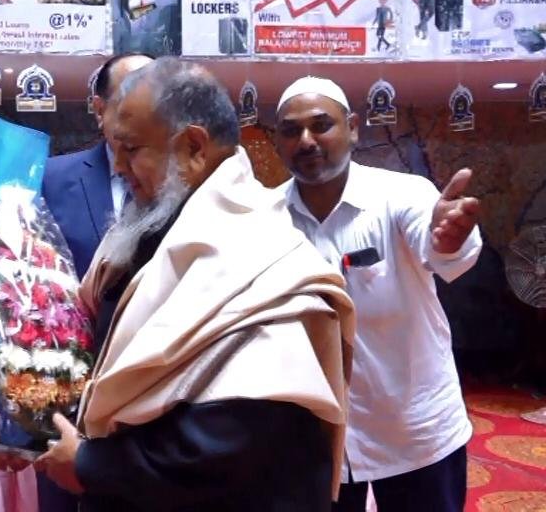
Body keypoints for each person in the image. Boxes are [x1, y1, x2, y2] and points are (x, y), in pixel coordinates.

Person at [33, 58, 355, 511]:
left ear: (194, 148)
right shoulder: (153, 222)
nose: (118, 167)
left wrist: (91, 465)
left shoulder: (257, 253)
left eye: (129, 149)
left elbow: (233, 440)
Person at [271, 76, 481, 511]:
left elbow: (440, 246)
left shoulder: (402, 194)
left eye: (321, 124)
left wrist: (449, 239)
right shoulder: (265, 218)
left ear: (352, 127)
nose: (306, 140)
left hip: (415, 431)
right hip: (314, 439)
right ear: (278, 142)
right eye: (291, 130)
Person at [41, 53, 154, 283]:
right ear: (100, 110)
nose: (145, 117)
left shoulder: (187, 183)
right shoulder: (49, 180)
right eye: (130, 104)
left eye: (156, 104)